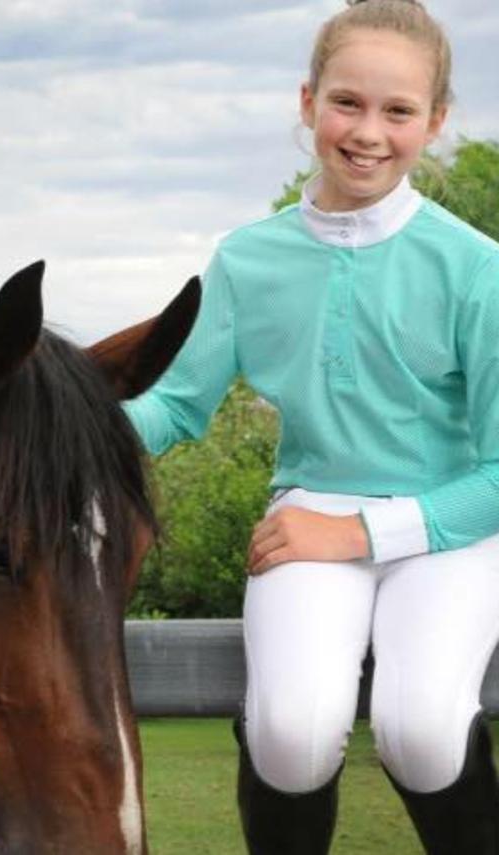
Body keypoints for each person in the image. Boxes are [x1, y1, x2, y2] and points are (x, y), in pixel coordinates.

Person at [124, 0, 499, 852]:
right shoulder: (247, 258)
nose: (369, 131)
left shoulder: (478, 269)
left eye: (399, 111)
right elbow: (178, 403)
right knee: (289, 733)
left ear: (434, 121)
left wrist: (356, 532)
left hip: (456, 521)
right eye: (347, 102)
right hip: (305, 513)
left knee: (424, 729)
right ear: (307, 102)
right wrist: (59, 428)